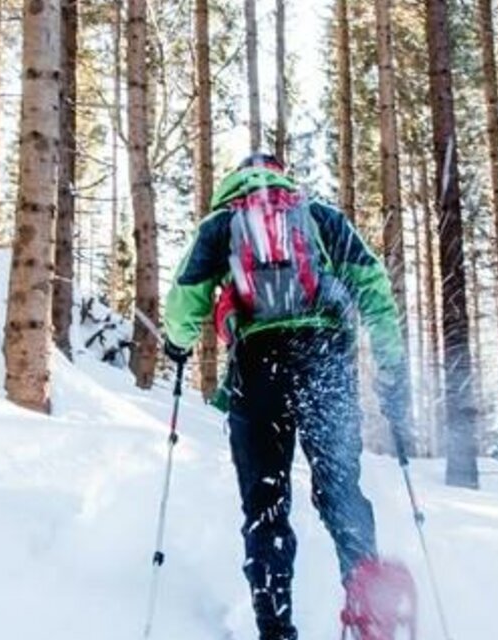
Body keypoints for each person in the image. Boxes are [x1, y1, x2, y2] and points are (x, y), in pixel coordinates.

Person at [160, 153, 410, 640]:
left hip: (258, 370)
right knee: (339, 489)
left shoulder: (222, 224)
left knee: (265, 503)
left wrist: (176, 342)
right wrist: (392, 367)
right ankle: (370, 611)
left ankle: (275, 629)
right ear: (281, 175)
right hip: (324, 360)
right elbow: (374, 286)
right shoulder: (318, 216)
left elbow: (184, 303)